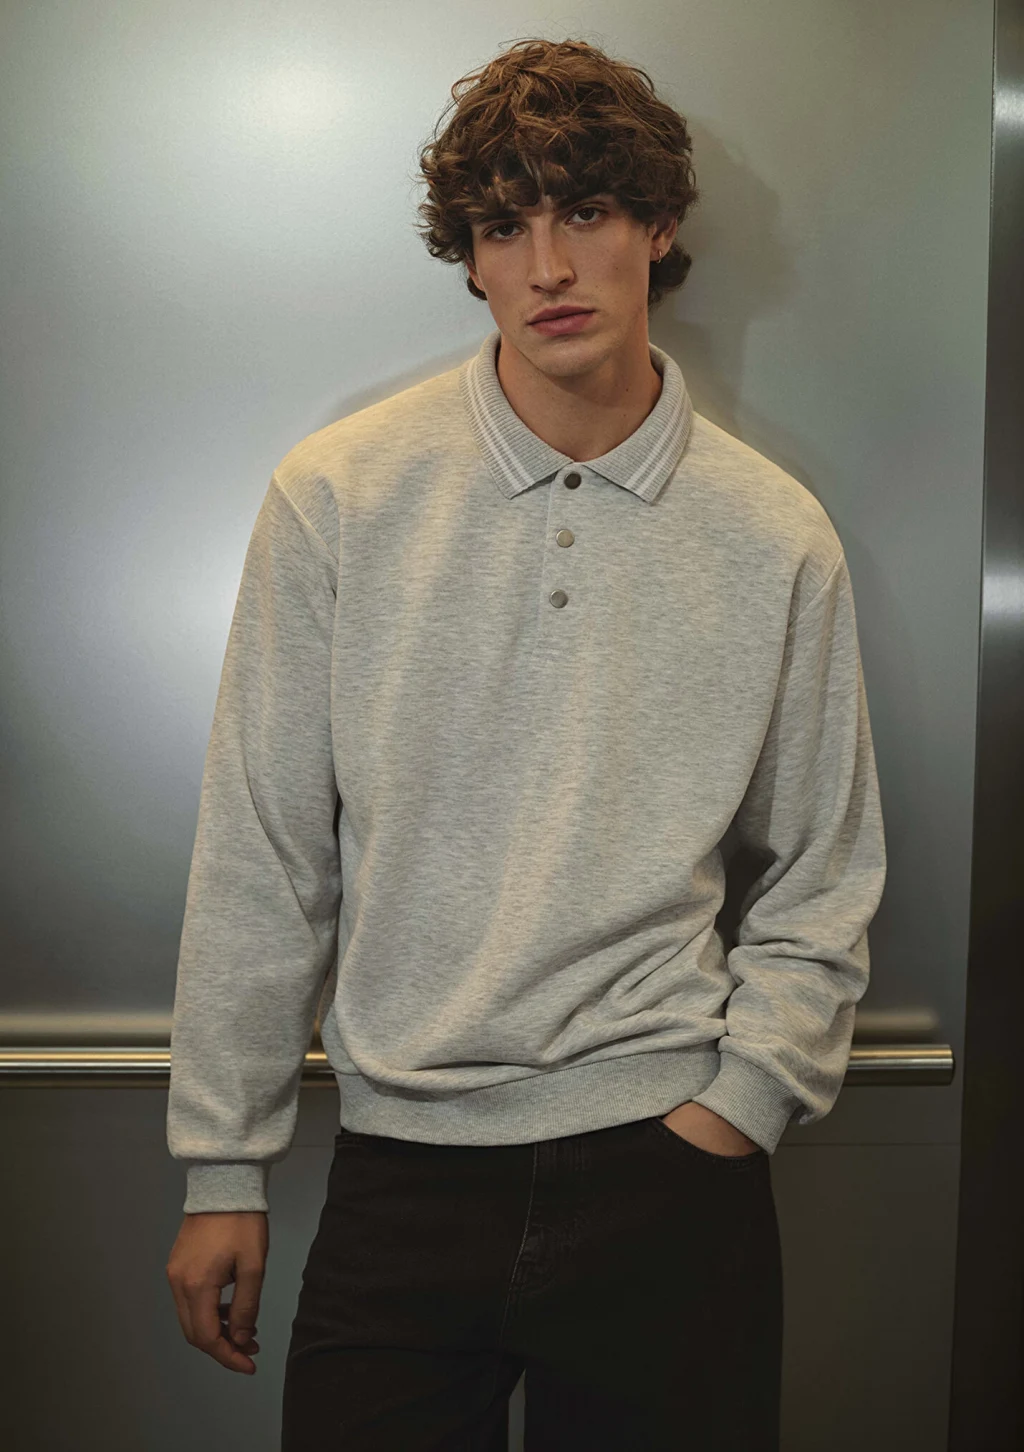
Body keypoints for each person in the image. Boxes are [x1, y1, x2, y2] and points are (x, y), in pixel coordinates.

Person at [165, 36, 886, 1451]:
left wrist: (738, 1109)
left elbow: (824, 869)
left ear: (657, 229)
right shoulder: (339, 495)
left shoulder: (774, 533)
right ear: (472, 260)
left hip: (671, 1175)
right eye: (505, 227)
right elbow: (264, 849)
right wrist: (223, 1165)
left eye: (587, 211)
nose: (549, 265)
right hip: (402, 1172)